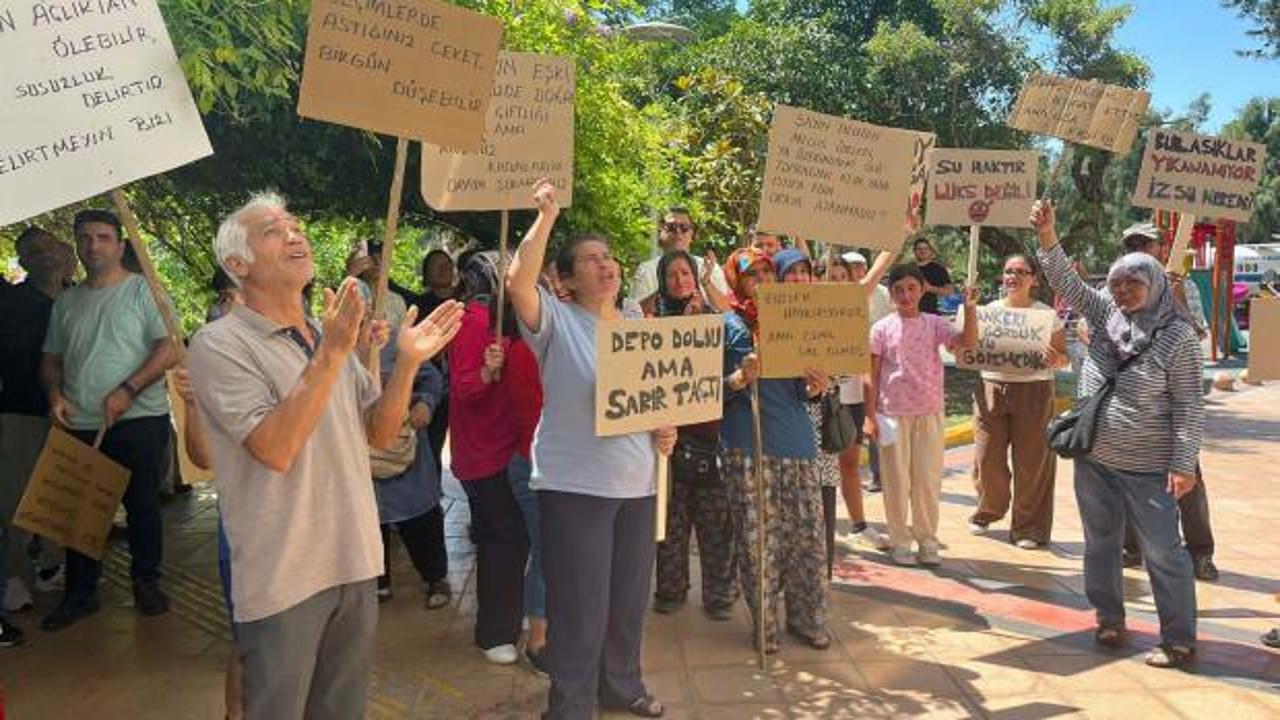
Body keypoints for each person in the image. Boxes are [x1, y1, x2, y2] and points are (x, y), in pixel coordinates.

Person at [187, 192, 463, 718]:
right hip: (285, 574)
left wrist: (405, 364)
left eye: (294, 224)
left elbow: (378, 433)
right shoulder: (219, 345)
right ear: (237, 265)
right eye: (273, 230)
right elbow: (274, 447)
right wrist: (336, 349)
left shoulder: (319, 332)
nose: (294, 234)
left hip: (353, 558)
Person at [507, 179, 674, 719]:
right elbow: (517, 283)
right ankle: (571, 704)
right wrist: (547, 217)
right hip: (576, 486)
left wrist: (663, 429)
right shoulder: (554, 322)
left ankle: (620, 686)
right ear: (566, 277)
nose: (607, 266)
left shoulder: (636, 325)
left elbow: (653, 400)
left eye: (610, 258)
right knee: (580, 607)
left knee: (626, 602)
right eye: (592, 259)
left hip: (640, 483)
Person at [1031, 199, 1202, 670]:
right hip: (1095, 459)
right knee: (1100, 542)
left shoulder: (1177, 336)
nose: (1124, 290)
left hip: (1149, 468)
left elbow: (1189, 404)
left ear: (1155, 285)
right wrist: (1048, 234)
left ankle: (1179, 638)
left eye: (1135, 282)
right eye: (1117, 282)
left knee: (1164, 552)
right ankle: (1108, 616)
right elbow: (1066, 281)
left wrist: (1183, 464)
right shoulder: (1104, 311)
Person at [39, 209, 180, 630]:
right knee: (81, 513)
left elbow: (170, 348)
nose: (93, 245)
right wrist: (53, 394)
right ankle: (81, 594)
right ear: (77, 247)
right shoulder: (67, 301)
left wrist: (128, 389)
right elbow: (51, 359)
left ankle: (146, 582)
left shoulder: (145, 291)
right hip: (81, 421)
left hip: (139, 417)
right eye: (85, 238)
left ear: (120, 245)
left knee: (142, 507)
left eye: (103, 237)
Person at [720, 247, 831, 654]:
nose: (762, 281)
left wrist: (815, 386)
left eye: (768, 273)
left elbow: (803, 388)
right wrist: (738, 377)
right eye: (752, 275)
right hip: (747, 447)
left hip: (797, 443)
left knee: (807, 539)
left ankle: (807, 620)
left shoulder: (796, 318)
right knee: (758, 543)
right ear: (738, 281)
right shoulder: (728, 325)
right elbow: (701, 393)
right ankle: (765, 627)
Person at [1116, 223, 1217, 581]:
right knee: (1126, 479)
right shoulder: (1114, 286)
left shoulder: (1181, 285)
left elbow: (1197, 332)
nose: (1142, 250)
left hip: (1173, 407)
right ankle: (1131, 547)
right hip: (1131, 409)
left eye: (1147, 245)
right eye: (1134, 245)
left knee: (1188, 480)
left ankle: (1200, 552)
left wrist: (1174, 299)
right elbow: (1094, 329)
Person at [448, 250, 532, 666]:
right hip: (485, 452)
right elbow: (463, 388)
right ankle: (495, 631)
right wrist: (486, 371)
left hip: (511, 448)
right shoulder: (475, 322)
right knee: (504, 542)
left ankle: (513, 619)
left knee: (514, 540)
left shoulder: (511, 322)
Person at [864, 265, 979, 567]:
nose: (905, 295)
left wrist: (970, 307)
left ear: (922, 290)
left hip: (929, 412)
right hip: (892, 414)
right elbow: (871, 376)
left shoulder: (935, 324)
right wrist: (869, 416)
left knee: (927, 480)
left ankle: (927, 540)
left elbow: (967, 343)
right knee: (896, 481)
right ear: (891, 295)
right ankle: (900, 541)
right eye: (899, 290)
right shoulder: (881, 329)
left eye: (911, 288)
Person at [649, 250, 737, 621]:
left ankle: (719, 594)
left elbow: (731, 372)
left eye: (686, 273)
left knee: (716, 524)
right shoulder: (651, 323)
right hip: (668, 440)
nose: (680, 281)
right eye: (672, 275)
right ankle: (670, 589)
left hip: (711, 437)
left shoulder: (718, 323)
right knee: (670, 523)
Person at [0, 232, 76, 646]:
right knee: (16, 498)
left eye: (49, 247)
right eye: (31, 251)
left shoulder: (79, 298)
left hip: (73, 415)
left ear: (65, 252)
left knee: (62, 492)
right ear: (22, 261)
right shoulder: (9, 304)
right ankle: (15, 576)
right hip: (21, 411)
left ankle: (53, 565)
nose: (43, 255)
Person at [968, 254, 1067, 549]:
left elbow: (1063, 358)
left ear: (1034, 279)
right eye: (1008, 271)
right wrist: (968, 312)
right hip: (990, 388)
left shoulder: (1047, 315)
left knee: (1032, 463)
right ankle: (989, 509)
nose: (1013, 276)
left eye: (1021, 272)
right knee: (987, 458)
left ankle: (1028, 529)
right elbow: (968, 345)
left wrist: (1057, 359)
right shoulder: (988, 311)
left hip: (1034, 391)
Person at [821, 249, 898, 554]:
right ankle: (820, 525)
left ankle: (858, 524)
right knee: (820, 468)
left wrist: (901, 232)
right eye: (831, 278)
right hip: (817, 397)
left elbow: (880, 267)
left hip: (850, 396)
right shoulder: (803, 308)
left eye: (843, 277)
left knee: (849, 462)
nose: (838, 283)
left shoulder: (856, 302)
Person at [372, 330, 451, 611]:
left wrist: (424, 403)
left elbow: (432, 378)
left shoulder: (397, 340)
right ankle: (378, 582)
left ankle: (436, 578)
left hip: (406, 444)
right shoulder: (331, 342)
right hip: (360, 450)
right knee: (369, 521)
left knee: (421, 517)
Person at [629, 208, 730, 311]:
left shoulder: (710, 268)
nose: (678, 231)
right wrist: (663, 289)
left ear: (692, 235)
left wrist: (706, 283)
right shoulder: (646, 270)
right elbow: (633, 314)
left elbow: (727, 311)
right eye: (671, 227)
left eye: (684, 227)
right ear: (661, 233)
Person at [912, 237, 953, 315]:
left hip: (930, 313)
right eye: (919, 249)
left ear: (930, 251)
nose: (922, 251)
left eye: (925, 248)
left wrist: (929, 288)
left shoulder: (939, 269)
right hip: (910, 313)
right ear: (914, 251)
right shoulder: (909, 268)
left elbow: (949, 291)